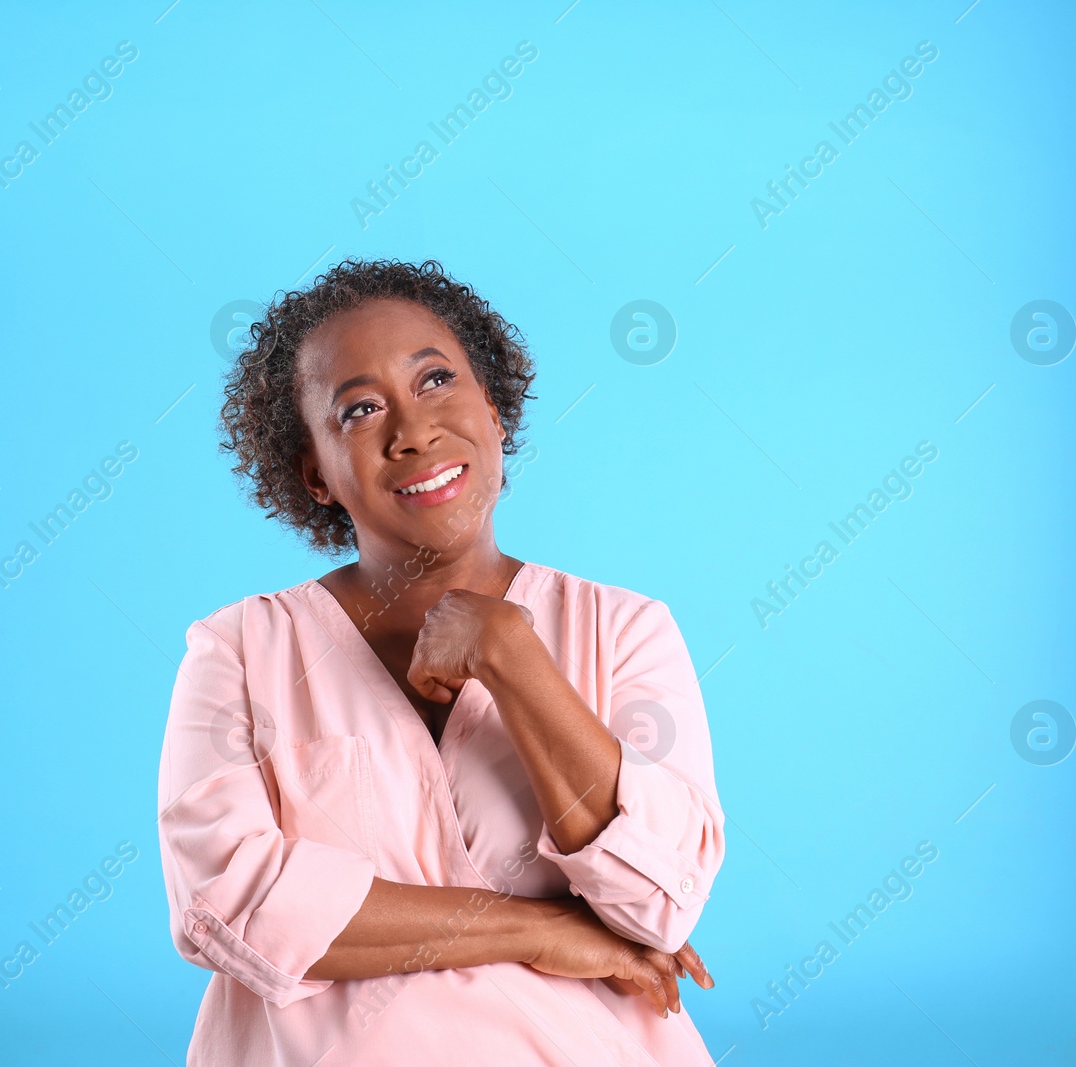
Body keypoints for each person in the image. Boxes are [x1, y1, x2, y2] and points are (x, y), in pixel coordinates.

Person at [157, 258, 728, 1065]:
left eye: (435, 380)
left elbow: (659, 905)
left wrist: (512, 657)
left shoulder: (625, 628)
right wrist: (540, 929)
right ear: (314, 473)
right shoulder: (241, 650)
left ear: (494, 411)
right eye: (359, 408)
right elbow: (230, 905)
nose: (413, 431)